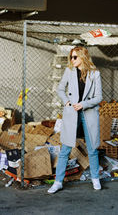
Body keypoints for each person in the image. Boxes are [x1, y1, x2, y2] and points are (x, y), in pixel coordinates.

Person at [48, 46, 103, 194]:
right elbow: (60, 89)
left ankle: (95, 179)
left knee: (92, 149)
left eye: (74, 57)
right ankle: (58, 182)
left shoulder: (95, 74)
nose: (71, 60)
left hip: (89, 113)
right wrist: (66, 101)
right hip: (72, 113)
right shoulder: (69, 71)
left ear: (82, 57)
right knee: (65, 149)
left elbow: (99, 97)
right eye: (71, 57)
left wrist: (84, 104)